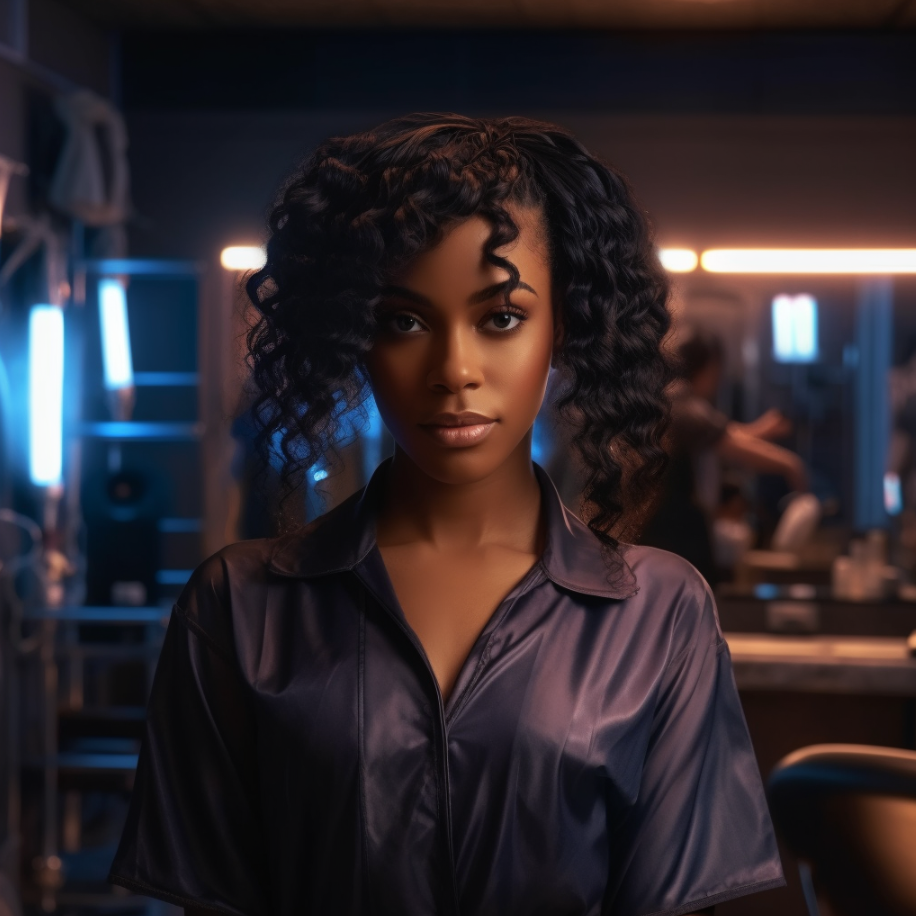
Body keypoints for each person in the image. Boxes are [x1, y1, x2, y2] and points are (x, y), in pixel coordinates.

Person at [108, 114, 784, 916]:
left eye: (500, 318)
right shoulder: (239, 606)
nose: (454, 370)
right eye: (404, 320)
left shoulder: (660, 613)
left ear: (560, 327)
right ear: (355, 333)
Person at [641, 327, 807, 585]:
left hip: (663, 532)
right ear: (708, 366)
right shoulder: (684, 405)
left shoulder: (675, 399)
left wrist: (763, 430)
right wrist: (790, 465)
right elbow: (729, 442)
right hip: (673, 533)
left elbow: (725, 435)